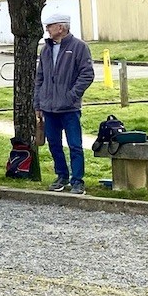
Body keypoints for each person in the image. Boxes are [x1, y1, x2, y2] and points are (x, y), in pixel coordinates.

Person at [34, 13, 94, 194]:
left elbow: (87, 74)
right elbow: (40, 77)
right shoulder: (45, 49)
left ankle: (77, 180)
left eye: (50, 26)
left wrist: (72, 95)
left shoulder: (79, 47)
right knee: (54, 143)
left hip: (69, 108)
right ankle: (61, 176)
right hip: (48, 107)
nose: (47, 29)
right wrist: (38, 104)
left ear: (61, 27)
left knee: (75, 145)